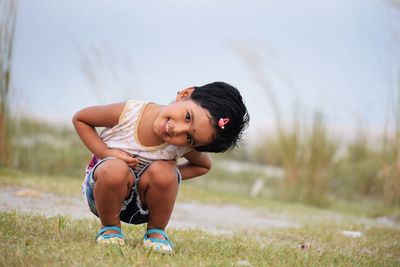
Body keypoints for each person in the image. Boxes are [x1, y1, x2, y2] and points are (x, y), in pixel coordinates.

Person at [72, 81, 249, 253]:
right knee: (115, 169)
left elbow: (203, 166)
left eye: (189, 138)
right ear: (185, 94)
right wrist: (106, 153)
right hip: (103, 198)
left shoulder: (179, 146)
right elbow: (81, 119)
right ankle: (110, 230)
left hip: (144, 208)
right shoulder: (129, 113)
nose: (177, 129)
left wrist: (172, 175)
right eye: (188, 117)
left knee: (165, 172)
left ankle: (155, 232)